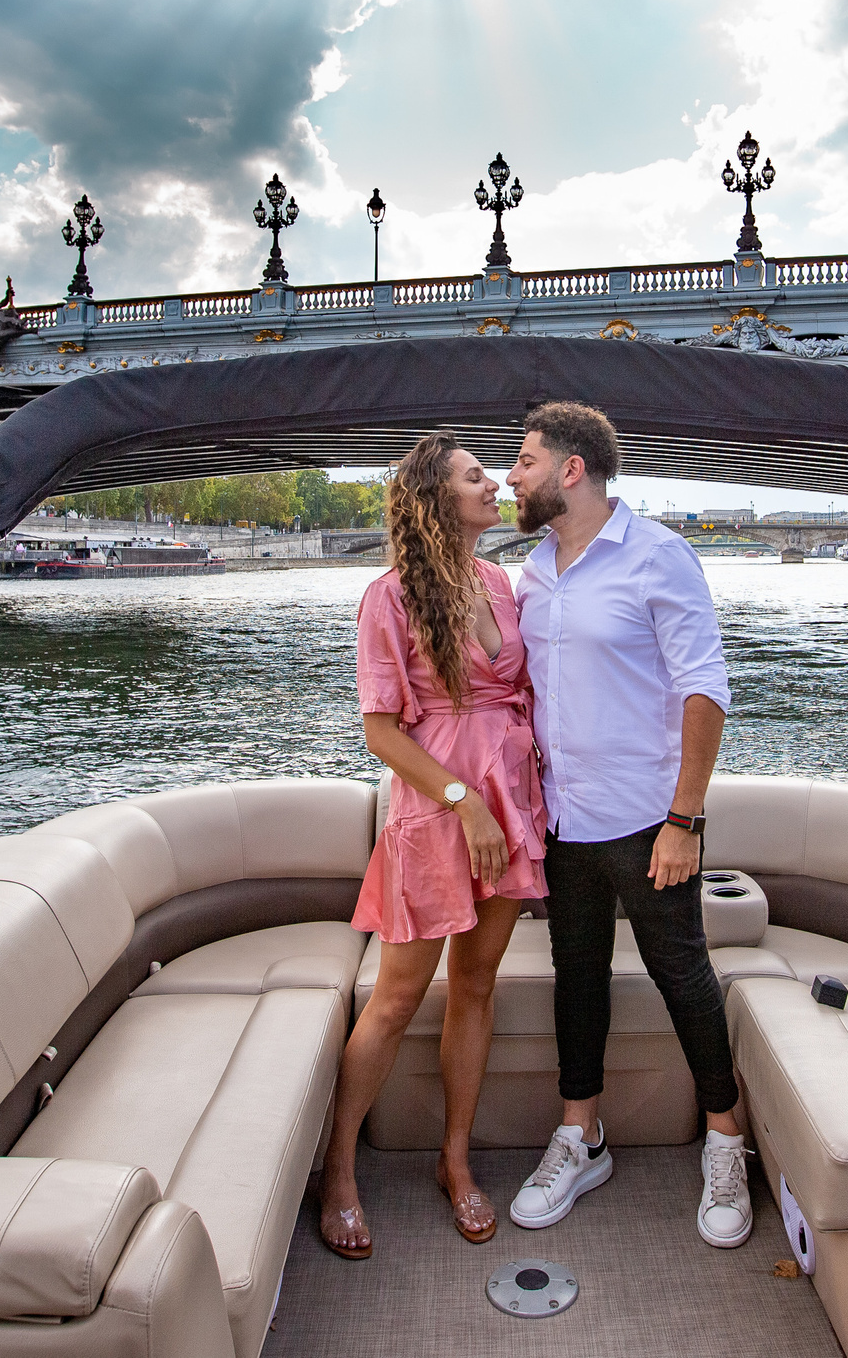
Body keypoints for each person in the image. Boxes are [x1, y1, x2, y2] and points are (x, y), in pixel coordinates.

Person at [502, 401, 751, 1249]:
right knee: (577, 978)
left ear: (572, 469)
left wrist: (685, 817)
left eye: (526, 461)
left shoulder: (658, 555)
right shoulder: (530, 571)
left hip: (651, 821)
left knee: (684, 977)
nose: (513, 475)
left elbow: (704, 690)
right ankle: (583, 1134)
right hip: (563, 821)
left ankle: (726, 1142)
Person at [318, 433, 548, 1258]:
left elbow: (521, 694)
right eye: (477, 477)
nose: (496, 485)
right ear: (434, 499)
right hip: (440, 812)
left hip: (509, 806)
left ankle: (457, 1158)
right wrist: (464, 805)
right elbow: (381, 730)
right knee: (395, 997)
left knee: (476, 986)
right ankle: (339, 1168)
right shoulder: (388, 596)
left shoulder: (502, 583)